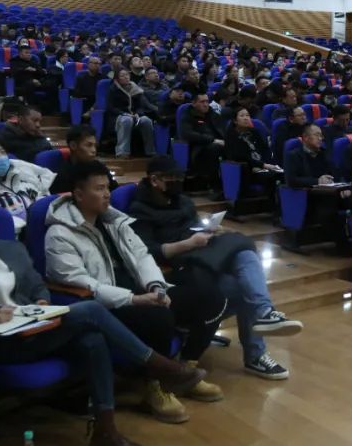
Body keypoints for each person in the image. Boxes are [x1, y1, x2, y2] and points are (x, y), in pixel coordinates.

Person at [0, 190, 206, 446]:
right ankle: (162, 367)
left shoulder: (8, 249)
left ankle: (105, 432)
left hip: (35, 328)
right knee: (91, 311)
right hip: (3, 344)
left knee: (92, 339)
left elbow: (36, 284)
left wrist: (42, 302)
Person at [44, 161, 229, 404]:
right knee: (159, 316)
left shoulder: (114, 221)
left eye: (107, 187)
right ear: (79, 194)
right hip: (109, 305)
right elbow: (83, 284)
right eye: (99, 189)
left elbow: (142, 256)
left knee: (212, 297)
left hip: (142, 292)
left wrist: (156, 286)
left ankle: (185, 370)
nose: (107, 194)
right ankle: (156, 386)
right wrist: (134, 299)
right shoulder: (59, 234)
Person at [128, 156, 302, 381]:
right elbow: (148, 252)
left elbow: (191, 224)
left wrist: (208, 229)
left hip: (202, 253)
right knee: (243, 286)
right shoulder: (139, 210)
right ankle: (256, 350)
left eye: (180, 176)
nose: (179, 181)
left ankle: (264, 313)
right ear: (155, 180)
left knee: (244, 251)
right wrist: (188, 244)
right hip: (179, 266)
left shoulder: (182, 201)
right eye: (173, 177)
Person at [225, 107, 282, 203]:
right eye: (242, 116)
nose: (246, 118)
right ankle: (271, 205)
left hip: (262, 165)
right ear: (235, 121)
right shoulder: (231, 136)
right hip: (247, 169)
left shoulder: (254, 131)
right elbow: (240, 157)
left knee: (281, 174)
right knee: (271, 177)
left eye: (247, 115)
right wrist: (262, 165)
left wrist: (269, 163)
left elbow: (265, 150)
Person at [178, 93, 225, 198]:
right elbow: (187, 134)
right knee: (215, 148)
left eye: (207, 101)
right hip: (198, 149)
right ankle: (215, 187)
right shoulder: (187, 116)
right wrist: (212, 140)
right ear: (194, 103)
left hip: (219, 144)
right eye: (202, 102)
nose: (206, 104)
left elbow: (223, 130)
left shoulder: (213, 114)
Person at [107, 68, 156, 159]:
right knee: (127, 120)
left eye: (127, 75)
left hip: (134, 116)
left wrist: (138, 113)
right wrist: (124, 114)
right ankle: (122, 152)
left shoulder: (135, 88)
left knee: (146, 120)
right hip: (118, 116)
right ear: (117, 78)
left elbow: (140, 106)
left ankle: (150, 151)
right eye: (122, 75)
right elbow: (111, 108)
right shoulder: (113, 89)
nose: (126, 77)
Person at [73, 56, 103, 123]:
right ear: (88, 64)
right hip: (85, 100)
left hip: (97, 101)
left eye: (99, 64)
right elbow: (76, 93)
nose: (97, 65)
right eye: (95, 63)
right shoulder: (81, 77)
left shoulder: (102, 77)